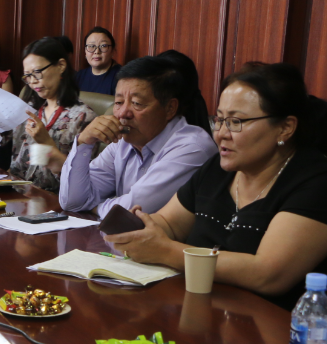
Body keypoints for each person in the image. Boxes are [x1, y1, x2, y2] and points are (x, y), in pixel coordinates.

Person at [104, 62, 327, 310]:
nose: (221, 134)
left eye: (236, 122)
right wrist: (143, 229)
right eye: (219, 120)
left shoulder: (315, 182)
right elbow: (169, 224)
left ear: (285, 128)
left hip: (270, 325)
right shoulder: (218, 169)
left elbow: (268, 274)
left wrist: (166, 251)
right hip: (195, 308)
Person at [59, 55, 217, 217]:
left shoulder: (192, 147)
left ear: (170, 108)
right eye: (118, 102)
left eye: (137, 103)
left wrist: (95, 208)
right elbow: (72, 202)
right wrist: (84, 142)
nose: (123, 114)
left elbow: (133, 209)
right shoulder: (122, 142)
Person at [10, 37, 96, 192]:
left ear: (61, 66)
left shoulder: (83, 117)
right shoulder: (30, 108)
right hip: (17, 192)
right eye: (27, 76)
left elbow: (83, 183)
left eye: (37, 72)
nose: (32, 81)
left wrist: (46, 142)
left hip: (54, 200)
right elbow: (13, 162)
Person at [75, 27, 121, 96]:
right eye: (91, 46)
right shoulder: (79, 76)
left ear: (113, 51)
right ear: (85, 51)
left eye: (103, 46)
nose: (97, 51)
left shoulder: (121, 78)